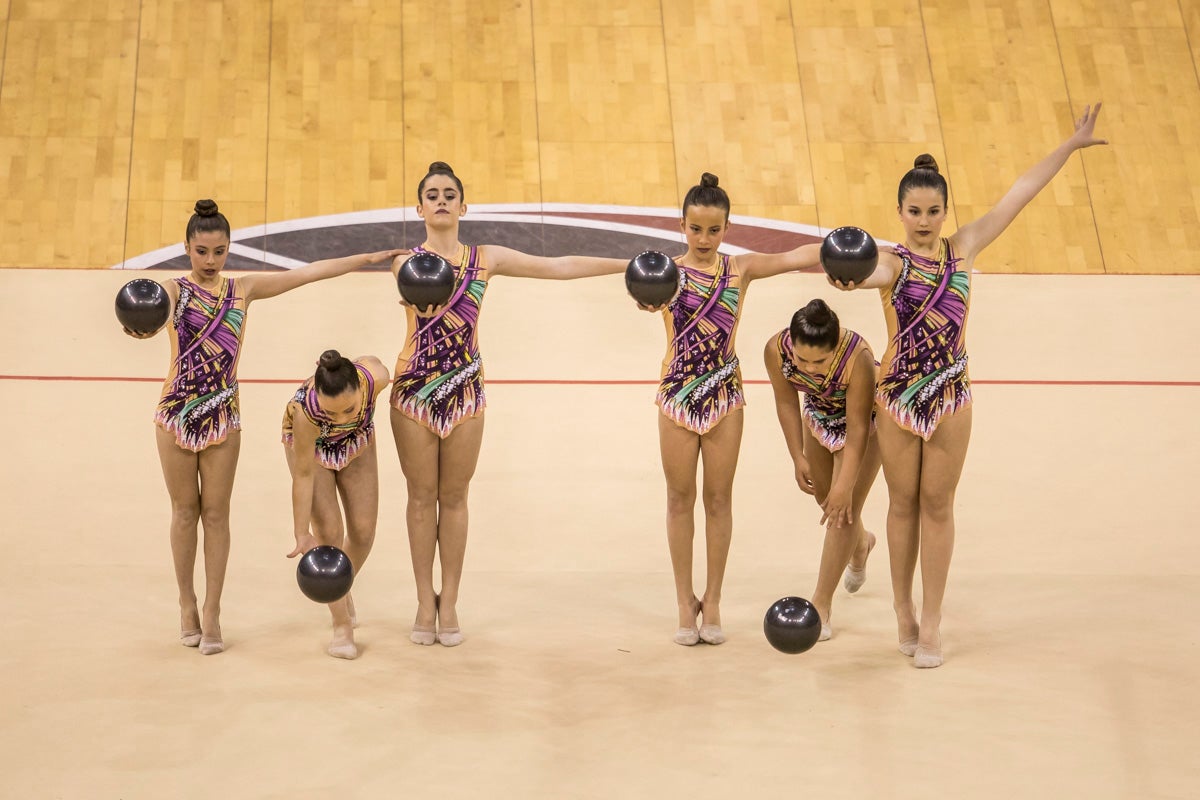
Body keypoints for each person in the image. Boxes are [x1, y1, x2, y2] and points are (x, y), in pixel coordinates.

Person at [831, 104, 1108, 667]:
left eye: (934, 211)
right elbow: (857, 269)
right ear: (901, 212)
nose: (925, 221)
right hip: (898, 399)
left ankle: (932, 616)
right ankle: (903, 608)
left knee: (938, 503)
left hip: (951, 397)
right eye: (915, 211)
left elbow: (1019, 192)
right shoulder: (891, 264)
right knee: (902, 504)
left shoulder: (965, 249)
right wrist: (842, 272)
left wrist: (1070, 145)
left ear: (945, 211)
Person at [125, 199, 403, 655]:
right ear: (187, 248)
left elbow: (309, 272)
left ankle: (213, 610)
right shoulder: (173, 290)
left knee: (216, 515)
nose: (211, 262)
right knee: (183, 514)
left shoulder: (243, 291)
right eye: (201, 251)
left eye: (219, 252)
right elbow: (148, 314)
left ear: (230, 248)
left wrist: (365, 258)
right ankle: (187, 603)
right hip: (175, 414)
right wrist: (136, 327)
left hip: (223, 417)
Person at [391, 161, 628, 647]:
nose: (440, 200)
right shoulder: (405, 263)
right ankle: (422, 598)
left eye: (449, 193)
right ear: (418, 208)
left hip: (464, 390)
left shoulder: (486, 258)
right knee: (420, 497)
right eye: (431, 194)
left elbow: (558, 268)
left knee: (454, 497)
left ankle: (450, 601)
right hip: (414, 389)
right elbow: (417, 296)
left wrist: (627, 264)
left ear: (463, 205)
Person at [648, 172, 828, 646]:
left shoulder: (739, 270)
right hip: (678, 395)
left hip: (725, 396)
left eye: (714, 229)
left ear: (727, 228)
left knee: (719, 500)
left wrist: (846, 244)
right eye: (695, 229)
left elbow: (795, 257)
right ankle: (685, 600)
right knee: (679, 498)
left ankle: (715, 597)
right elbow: (637, 288)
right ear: (681, 226)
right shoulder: (665, 273)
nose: (704, 239)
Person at [763, 298, 881, 642]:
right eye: (802, 360)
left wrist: (846, 485)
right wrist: (797, 455)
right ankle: (861, 545)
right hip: (817, 418)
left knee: (842, 511)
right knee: (826, 501)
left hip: (866, 427)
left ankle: (822, 602)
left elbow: (857, 428)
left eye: (820, 361)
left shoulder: (857, 357)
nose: (810, 368)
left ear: (835, 347)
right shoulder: (776, 349)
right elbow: (785, 401)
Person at [282, 350, 391, 660]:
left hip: (356, 442)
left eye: (348, 409)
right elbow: (302, 476)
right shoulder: (306, 412)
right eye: (332, 413)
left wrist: (365, 358)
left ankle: (340, 587)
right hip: (311, 451)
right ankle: (341, 623)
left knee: (362, 533)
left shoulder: (374, 379)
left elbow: (378, 364)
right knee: (330, 536)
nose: (340, 417)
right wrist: (301, 531)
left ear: (360, 387)